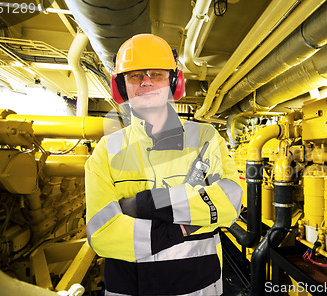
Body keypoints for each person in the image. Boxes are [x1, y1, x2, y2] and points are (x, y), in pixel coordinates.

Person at [85, 34, 243, 296]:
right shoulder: (107, 150)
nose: (146, 82)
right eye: (134, 75)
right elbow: (101, 233)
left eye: (156, 74)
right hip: (129, 290)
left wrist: (147, 204)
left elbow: (230, 203)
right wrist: (185, 224)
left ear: (174, 82)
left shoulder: (205, 137)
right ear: (121, 87)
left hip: (199, 289)